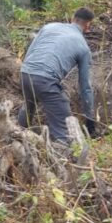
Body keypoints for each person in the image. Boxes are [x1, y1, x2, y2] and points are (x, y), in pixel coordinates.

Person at [19, 8, 96, 144]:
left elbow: (29, 53)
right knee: (63, 129)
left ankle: (18, 138)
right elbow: (85, 87)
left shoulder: (49, 27)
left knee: (28, 106)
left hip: (25, 73)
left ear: (73, 18)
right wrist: (90, 119)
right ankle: (63, 154)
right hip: (45, 80)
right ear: (88, 25)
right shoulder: (83, 47)